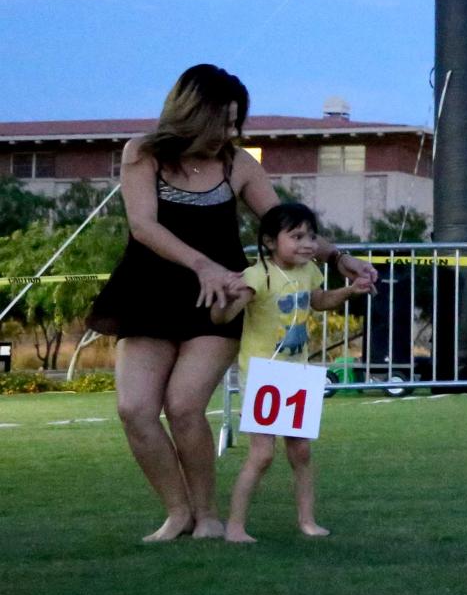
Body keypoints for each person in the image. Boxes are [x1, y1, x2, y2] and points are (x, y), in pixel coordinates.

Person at [86, 64, 378, 541]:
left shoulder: (239, 164)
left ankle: (207, 516)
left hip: (221, 298)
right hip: (149, 293)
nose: (230, 132)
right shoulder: (141, 153)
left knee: (183, 407)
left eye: (235, 123)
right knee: (135, 409)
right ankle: (177, 512)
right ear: (190, 113)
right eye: (221, 121)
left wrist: (339, 257)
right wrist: (201, 265)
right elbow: (144, 226)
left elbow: (282, 224)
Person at [212, 203, 374, 543]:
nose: (307, 243)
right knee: (263, 454)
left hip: (297, 373)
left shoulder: (309, 271)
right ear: (270, 242)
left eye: (311, 236)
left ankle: (307, 521)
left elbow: (319, 301)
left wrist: (348, 291)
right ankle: (236, 527)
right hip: (263, 374)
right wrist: (226, 299)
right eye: (297, 236)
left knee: (301, 452)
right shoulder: (256, 276)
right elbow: (222, 318)